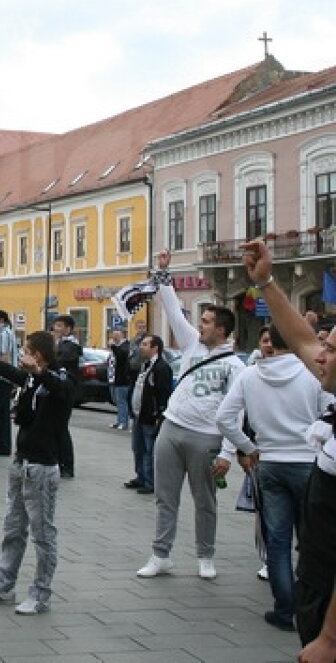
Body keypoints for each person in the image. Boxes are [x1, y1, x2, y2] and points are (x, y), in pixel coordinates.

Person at [242, 242, 336, 661]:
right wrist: (265, 282)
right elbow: (300, 339)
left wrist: (329, 639)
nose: (319, 355)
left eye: (330, 350)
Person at [136, 249, 245, 581]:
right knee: (164, 497)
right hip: (173, 428)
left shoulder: (236, 366)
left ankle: (205, 556)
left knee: (205, 500)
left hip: (206, 437)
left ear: (222, 330)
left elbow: (235, 413)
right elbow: (172, 311)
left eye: (208, 322)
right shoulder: (192, 345)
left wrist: (228, 452)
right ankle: (161, 554)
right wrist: (163, 273)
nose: (201, 325)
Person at [217, 324, 334, 632]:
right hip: (310, 463)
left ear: (270, 343)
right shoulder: (311, 374)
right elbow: (329, 412)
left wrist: (247, 447)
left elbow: (224, 418)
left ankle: (285, 609)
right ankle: (314, 607)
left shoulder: (249, 375)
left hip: (269, 462)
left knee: (277, 541)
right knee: (311, 541)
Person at [0, 330, 71, 615]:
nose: (23, 353)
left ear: (38, 353)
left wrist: (39, 372)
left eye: (27, 349)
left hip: (42, 466)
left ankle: (40, 595)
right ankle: (2, 587)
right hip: (21, 462)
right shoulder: (32, 379)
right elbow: (12, 373)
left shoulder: (58, 379)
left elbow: (63, 391)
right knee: (13, 529)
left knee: (43, 534)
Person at [126, 334, 172, 494]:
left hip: (150, 416)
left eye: (145, 344)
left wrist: (159, 413)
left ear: (155, 348)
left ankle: (150, 481)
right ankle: (140, 476)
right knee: (137, 448)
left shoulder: (161, 367)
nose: (141, 347)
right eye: (142, 344)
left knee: (149, 450)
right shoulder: (144, 365)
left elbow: (163, 393)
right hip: (138, 415)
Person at [51, 315, 81, 478]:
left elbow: (59, 362)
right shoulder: (60, 344)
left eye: (60, 326)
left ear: (68, 329)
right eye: (55, 325)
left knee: (61, 428)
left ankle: (67, 465)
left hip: (66, 391)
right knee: (56, 427)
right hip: (58, 389)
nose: (56, 328)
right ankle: (58, 460)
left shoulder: (70, 347)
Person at [0, 309, 18, 456]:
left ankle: (3, 446)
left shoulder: (5, 334)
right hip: (1, 377)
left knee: (2, 412)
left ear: (0, 320)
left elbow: (4, 357)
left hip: (2, 379)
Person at [107, 329, 134, 431]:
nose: (114, 337)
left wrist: (113, 346)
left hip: (122, 379)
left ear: (123, 335)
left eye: (117, 335)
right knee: (116, 401)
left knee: (122, 401)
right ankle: (119, 421)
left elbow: (122, 356)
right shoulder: (116, 348)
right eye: (113, 335)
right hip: (113, 378)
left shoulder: (125, 346)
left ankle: (123, 422)